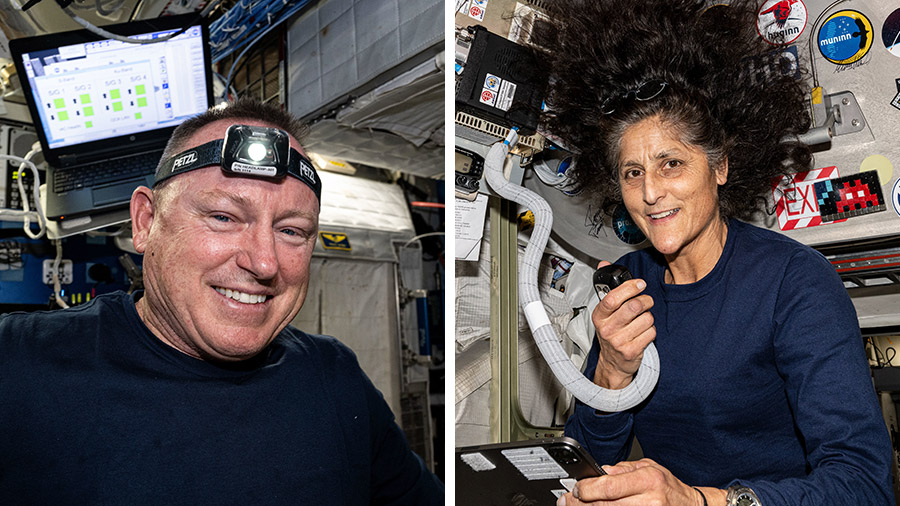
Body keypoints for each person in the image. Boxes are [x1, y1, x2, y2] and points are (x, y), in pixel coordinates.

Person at [530, 1, 895, 505]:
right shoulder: (629, 284)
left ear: (720, 167)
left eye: (672, 163)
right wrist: (612, 370)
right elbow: (587, 462)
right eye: (633, 172)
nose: (650, 192)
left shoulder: (794, 283)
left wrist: (703, 502)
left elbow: (863, 486)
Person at [0, 98, 444, 504]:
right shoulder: (17, 364)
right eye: (224, 217)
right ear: (145, 222)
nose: (265, 262)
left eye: (291, 230)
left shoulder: (335, 377)